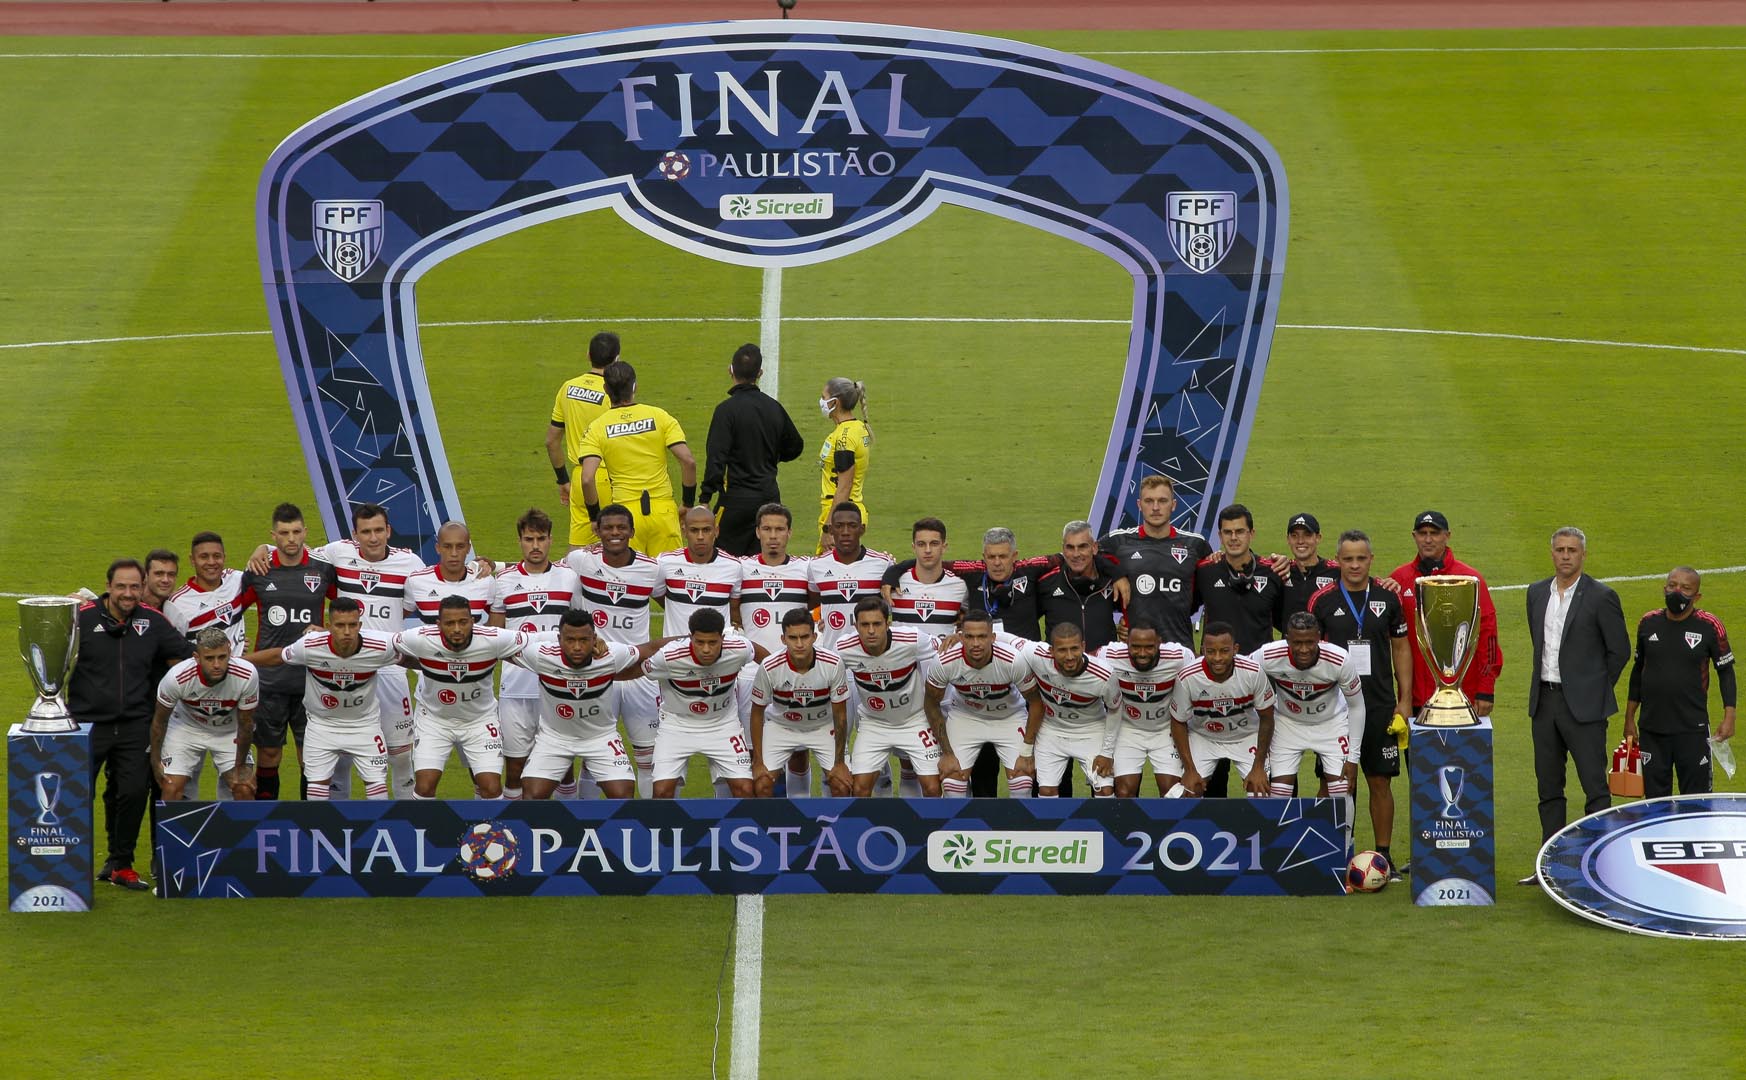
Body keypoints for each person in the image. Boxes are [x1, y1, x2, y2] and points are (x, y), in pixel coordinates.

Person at [70, 559, 193, 890]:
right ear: (108, 586)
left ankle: (120, 864)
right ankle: (65, 864)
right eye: (121, 586)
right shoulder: (80, 618)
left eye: (134, 587)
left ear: (143, 588)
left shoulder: (153, 621)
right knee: (73, 794)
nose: (128, 593)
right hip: (85, 723)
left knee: (135, 792)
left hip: (135, 724)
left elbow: (186, 655)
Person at [1522, 527, 1631, 882]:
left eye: (1572, 550)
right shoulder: (1537, 594)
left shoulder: (1601, 596)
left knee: (1594, 789)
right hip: (1545, 702)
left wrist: (1593, 690)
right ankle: (1548, 867)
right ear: (1551, 553)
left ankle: (1596, 866)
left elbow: (1620, 650)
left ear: (1583, 554)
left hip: (1584, 707)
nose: (1565, 555)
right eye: (1559, 549)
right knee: (1548, 788)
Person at [1308, 530, 1413, 874]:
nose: (1354, 565)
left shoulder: (1387, 597)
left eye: (1361, 558)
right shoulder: (1321, 601)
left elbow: (1400, 647)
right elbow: (1310, 654)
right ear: (1337, 560)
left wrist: (1405, 700)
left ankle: (1384, 858)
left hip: (1380, 705)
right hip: (1335, 709)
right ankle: (1330, 854)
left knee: (1379, 781)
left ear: (1371, 559)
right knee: (1333, 781)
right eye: (1348, 559)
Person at [307, 502, 428, 798]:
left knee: (400, 754)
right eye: (366, 532)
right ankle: (341, 823)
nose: (373, 538)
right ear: (354, 535)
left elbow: (434, 593)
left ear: (388, 531)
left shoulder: (410, 564)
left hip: (390, 668)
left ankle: (404, 824)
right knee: (340, 756)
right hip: (346, 666)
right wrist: (263, 548)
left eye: (378, 530)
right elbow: (296, 557)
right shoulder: (338, 553)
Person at [508, 610, 672, 800]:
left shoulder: (611, 655)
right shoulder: (541, 656)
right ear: (559, 639)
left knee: (623, 795)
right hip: (554, 739)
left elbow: (650, 649)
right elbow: (499, 648)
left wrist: (691, 638)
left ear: (594, 638)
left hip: (600, 738)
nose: (577, 647)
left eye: (584, 640)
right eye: (570, 640)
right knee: (532, 795)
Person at [247, 597, 399, 800]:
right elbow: (279, 656)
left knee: (378, 795)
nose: (346, 632)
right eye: (340, 625)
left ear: (360, 626)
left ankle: (378, 832)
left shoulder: (379, 647)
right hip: (321, 727)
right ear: (328, 627)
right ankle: (319, 832)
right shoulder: (310, 646)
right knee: (316, 795)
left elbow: (410, 657)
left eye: (352, 625)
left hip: (365, 726)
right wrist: (238, 661)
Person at [236, 502, 337, 800]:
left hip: (313, 680)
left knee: (311, 759)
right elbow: (231, 612)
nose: (291, 539)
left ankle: (308, 822)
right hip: (269, 682)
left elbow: (352, 609)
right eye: (284, 533)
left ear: (305, 532)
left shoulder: (322, 570)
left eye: (296, 532)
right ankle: (267, 821)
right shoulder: (258, 571)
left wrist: (328, 629)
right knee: (268, 755)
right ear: (274, 535)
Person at [565, 503, 666, 797]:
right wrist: (494, 567)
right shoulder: (580, 561)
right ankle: (587, 822)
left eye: (622, 527)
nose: (615, 533)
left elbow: (671, 603)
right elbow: (544, 572)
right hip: (597, 672)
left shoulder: (651, 570)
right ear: (597, 530)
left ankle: (651, 825)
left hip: (638, 676)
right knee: (593, 756)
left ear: (632, 531)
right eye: (608, 527)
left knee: (648, 756)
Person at [488, 509, 583, 801]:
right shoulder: (502, 580)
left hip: (558, 688)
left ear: (550, 540)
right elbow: (495, 635)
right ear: (520, 541)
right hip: (516, 688)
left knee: (564, 765)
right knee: (515, 765)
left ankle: (570, 825)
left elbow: (580, 624)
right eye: (529, 539)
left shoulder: (568, 578)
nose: (536, 546)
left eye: (541, 538)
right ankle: (512, 833)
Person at [395, 596, 527, 799]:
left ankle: (487, 831)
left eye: (463, 622)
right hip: (434, 721)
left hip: (480, 721)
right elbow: (384, 645)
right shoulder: (420, 638)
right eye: (450, 623)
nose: (457, 628)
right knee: (424, 787)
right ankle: (424, 831)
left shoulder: (492, 638)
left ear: (473, 621)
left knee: (491, 789)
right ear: (438, 625)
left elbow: (535, 639)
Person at [1625, 567, 1736, 800]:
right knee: (1654, 804)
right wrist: (1629, 719)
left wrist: (1729, 717)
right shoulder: (1648, 623)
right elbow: (1638, 672)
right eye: (1673, 585)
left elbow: (1725, 672)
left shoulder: (1710, 626)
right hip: (1651, 730)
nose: (1677, 592)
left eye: (1686, 588)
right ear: (1664, 588)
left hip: (1691, 731)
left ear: (1697, 597)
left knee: (1697, 804)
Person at [628, 609, 760, 799]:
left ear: (722, 638)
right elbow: (637, 670)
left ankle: (740, 828)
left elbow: (762, 655)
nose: (706, 649)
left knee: (746, 790)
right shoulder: (668, 657)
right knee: (662, 792)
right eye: (700, 642)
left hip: (723, 725)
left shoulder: (739, 649)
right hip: (676, 726)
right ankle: (663, 829)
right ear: (690, 638)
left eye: (712, 642)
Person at [1390, 510, 1503, 722]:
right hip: (1416, 700)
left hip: (1464, 698)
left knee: (1462, 756)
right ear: (1414, 536)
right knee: (1419, 756)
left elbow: (1488, 635)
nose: (1428, 539)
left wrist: (1486, 689)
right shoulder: (1399, 579)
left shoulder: (1470, 579)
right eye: (1422, 533)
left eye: (1435, 532)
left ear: (1447, 536)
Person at [578, 359, 696, 558]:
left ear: (606, 389)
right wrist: (688, 503)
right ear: (635, 386)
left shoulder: (597, 427)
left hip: (625, 518)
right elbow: (688, 461)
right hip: (663, 511)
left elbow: (587, 478)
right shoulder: (659, 416)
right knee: (671, 581)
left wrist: (594, 517)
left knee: (633, 582)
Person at [735, 502, 815, 795]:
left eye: (779, 529)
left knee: (797, 751)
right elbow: (731, 604)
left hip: (795, 674)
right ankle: (761, 814)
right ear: (757, 532)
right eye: (767, 529)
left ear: (789, 533)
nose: (773, 536)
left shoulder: (805, 569)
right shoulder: (741, 568)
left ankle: (799, 812)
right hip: (750, 675)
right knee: (754, 752)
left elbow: (816, 601)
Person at [700, 343, 805, 556]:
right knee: (764, 563)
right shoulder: (773, 407)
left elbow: (716, 459)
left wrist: (705, 498)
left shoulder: (725, 411)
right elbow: (795, 446)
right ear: (760, 373)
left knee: (725, 562)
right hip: (769, 498)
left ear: (731, 370)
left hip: (736, 501)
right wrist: (772, 456)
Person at [925, 609, 1043, 799]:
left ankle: (1019, 828)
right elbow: (931, 704)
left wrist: (1027, 751)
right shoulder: (944, 661)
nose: (976, 643)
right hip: (966, 717)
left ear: (993, 637)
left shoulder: (1013, 660)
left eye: (982, 637)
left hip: (1009, 717)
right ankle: (960, 828)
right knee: (952, 779)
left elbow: (1036, 702)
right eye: (970, 637)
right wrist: (947, 753)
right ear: (961, 637)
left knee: (1022, 778)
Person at [837, 597, 945, 797]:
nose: (871, 631)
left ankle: (929, 828)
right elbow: (823, 671)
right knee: (859, 788)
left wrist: (957, 638)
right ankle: (863, 827)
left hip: (915, 720)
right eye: (865, 625)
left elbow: (945, 647)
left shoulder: (912, 640)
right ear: (855, 626)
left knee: (932, 787)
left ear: (888, 623)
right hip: (874, 724)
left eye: (877, 624)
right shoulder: (843, 649)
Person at [1254, 613, 1365, 801]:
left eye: (1310, 642)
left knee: (1341, 789)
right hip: (1288, 724)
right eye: (1297, 643)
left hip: (1331, 723)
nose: (1304, 649)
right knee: (1278, 793)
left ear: (1319, 638)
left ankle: (1345, 832)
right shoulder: (1267, 655)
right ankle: (1283, 832)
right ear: (1287, 640)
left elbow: (1357, 707)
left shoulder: (1339, 659)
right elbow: (1243, 672)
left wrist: (1353, 758)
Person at [749, 609, 854, 799]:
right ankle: (772, 828)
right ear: (783, 639)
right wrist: (757, 761)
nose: (799, 644)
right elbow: (757, 713)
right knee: (761, 785)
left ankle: (836, 828)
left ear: (814, 636)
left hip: (822, 726)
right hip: (781, 727)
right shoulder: (769, 666)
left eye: (805, 637)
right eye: (793, 638)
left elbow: (840, 715)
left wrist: (839, 763)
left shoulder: (833, 663)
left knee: (842, 785)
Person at [1096, 476, 1211, 647]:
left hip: (1178, 650)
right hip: (1135, 653)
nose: (1155, 508)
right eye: (1149, 501)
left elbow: (1211, 592)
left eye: (1162, 501)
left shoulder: (1196, 545)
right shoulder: (1117, 542)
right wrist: (1117, 575)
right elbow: (1088, 556)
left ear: (1173, 505)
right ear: (1139, 505)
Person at [1169, 622, 1276, 798]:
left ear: (1235, 649)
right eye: (1211, 651)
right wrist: (1189, 769)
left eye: (1224, 651)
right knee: (1188, 792)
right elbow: (1178, 721)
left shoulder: (1252, 671)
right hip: (1204, 737)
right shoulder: (1188, 676)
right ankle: (1194, 827)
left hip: (1246, 736)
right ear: (1203, 650)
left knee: (1260, 791)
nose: (1217, 658)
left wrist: (1258, 766)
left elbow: (1267, 717)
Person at [150, 628, 258, 801]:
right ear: (196, 658)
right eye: (209, 658)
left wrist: (240, 765)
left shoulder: (247, 675)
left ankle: (237, 828)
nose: (217, 665)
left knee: (244, 788)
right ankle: (175, 829)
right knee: (170, 787)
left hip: (228, 731)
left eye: (222, 657)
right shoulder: (177, 678)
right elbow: (159, 721)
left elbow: (246, 724)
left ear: (230, 653)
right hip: (186, 728)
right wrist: (155, 761)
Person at [1016, 622, 1120, 797]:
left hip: (1091, 730)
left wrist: (1106, 753)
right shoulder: (1036, 654)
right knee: (1046, 791)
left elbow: (1115, 710)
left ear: (1083, 647)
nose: (1070, 656)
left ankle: (1100, 825)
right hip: (1052, 730)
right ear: (1051, 651)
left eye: (1075, 649)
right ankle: (1051, 825)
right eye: (1062, 650)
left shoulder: (1104, 675)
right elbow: (1006, 639)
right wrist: (960, 636)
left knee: (1105, 791)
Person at [1101, 619, 1194, 797]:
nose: (1142, 653)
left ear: (1160, 642)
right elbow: (1087, 664)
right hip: (1127, 730)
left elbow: (1196, 678)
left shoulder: (1180, 657)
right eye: (1135, 646)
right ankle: (1132, 826)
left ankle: (1166, 826)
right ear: (1126, 643)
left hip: (1166, 730)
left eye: (1149, 647)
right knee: (1124, 791)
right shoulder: (1109, 655)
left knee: (1172, 791)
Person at [547, 330, 620, 549]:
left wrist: (563, 481)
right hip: (610, 477)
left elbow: (552, 441)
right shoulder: (613, 393)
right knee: (617, 548)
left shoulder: (568, 388)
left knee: (577, 553)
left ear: (588, 354)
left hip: (580, 478)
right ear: (617, 359)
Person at [1194, 504, 1284, 654]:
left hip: (1259, 669)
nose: (1234, 538)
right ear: (1220, 536)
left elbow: (1286, 623)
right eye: (1228, 532)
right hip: (1216, 667)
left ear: (1252, 534)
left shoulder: (1273, 571)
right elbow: (1182, 611)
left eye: (1240, 532)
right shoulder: (1205, 571)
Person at [808, 501, 896, 640]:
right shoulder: (816, 565)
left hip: (871, 655)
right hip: (833, 655)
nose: (845, 532)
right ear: (831, 530)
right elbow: (813, 601)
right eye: (839, 526)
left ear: (862, 529)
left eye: (852, 526)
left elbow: (894, 603)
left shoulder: (883, 563)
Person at [1037, 521, 1127, 651]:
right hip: (1059, 667)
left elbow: (1135, 610)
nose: (1076, 554)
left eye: (1082, 546)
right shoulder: (1047, 582)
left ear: (1094, 548)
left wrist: (1130, 627)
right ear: (1063, 549)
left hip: (1103, 666)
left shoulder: (1112, 581)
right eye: (1070, 547)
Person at [882, 517, 967, 640]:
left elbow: (974, 624)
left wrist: (960, 635)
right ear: (913, 547)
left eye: (934, 544)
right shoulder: (894, 584)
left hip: (942, 659)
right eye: (921, 544)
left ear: (944, 547)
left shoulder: (960, 586)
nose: (927, 550)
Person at [164, 532, 248, 655]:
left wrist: (264, 547)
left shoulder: (236, 580)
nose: (211, 562)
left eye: (217, 556)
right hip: (202, 673)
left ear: (224, 557)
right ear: (192, 560)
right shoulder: (177, 603)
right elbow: (173, 652)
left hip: (239, 670)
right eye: (204, 557)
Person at [814, 376, 872, 552]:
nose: (822, 402)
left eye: (824, 397)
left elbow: (844, 486)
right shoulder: (856, 428)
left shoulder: (844, 439)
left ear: (835, 402)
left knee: (829, 574)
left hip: (840, 515)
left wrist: (829, 527)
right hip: (848, 511)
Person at [403, 521, 494, 626]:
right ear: (438, 548)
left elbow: (500, 620)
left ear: (468, 548)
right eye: (447, 546)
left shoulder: (485, 581)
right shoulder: (416, 581)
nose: (454, 553)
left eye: (460, 546)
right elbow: (394, 618)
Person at [1269, 513, 1342, 616]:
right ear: (1288, 539)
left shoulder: (1336, 572)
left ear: (1318, 538)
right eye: (1294, 536)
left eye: (1307, 535)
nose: (1300, 541)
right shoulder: (1281, 571)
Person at [143, 548, 181, 613]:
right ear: (146, 575)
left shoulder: (178, 607)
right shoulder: (130, 603)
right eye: (159, 574)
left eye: (171, 574)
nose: (165, 580)